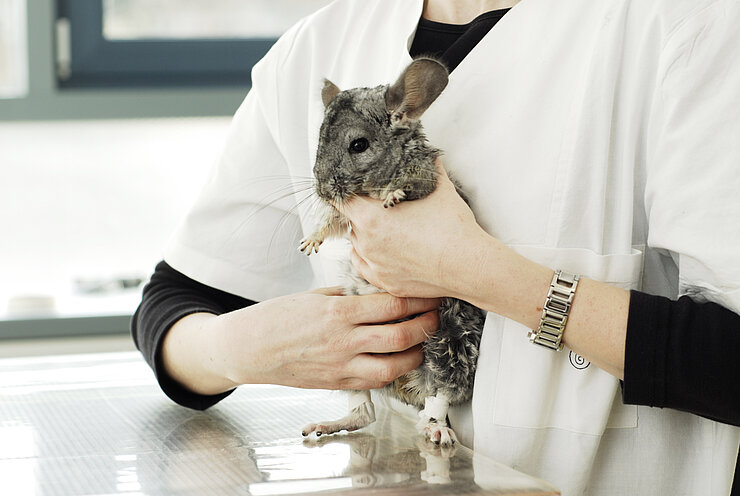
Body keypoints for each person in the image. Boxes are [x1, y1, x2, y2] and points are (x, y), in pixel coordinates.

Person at [132, 0, 740, 493]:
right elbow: (174, 300)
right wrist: (241, 349)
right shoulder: (315, 49)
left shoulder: (689, 26)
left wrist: (478, 273)